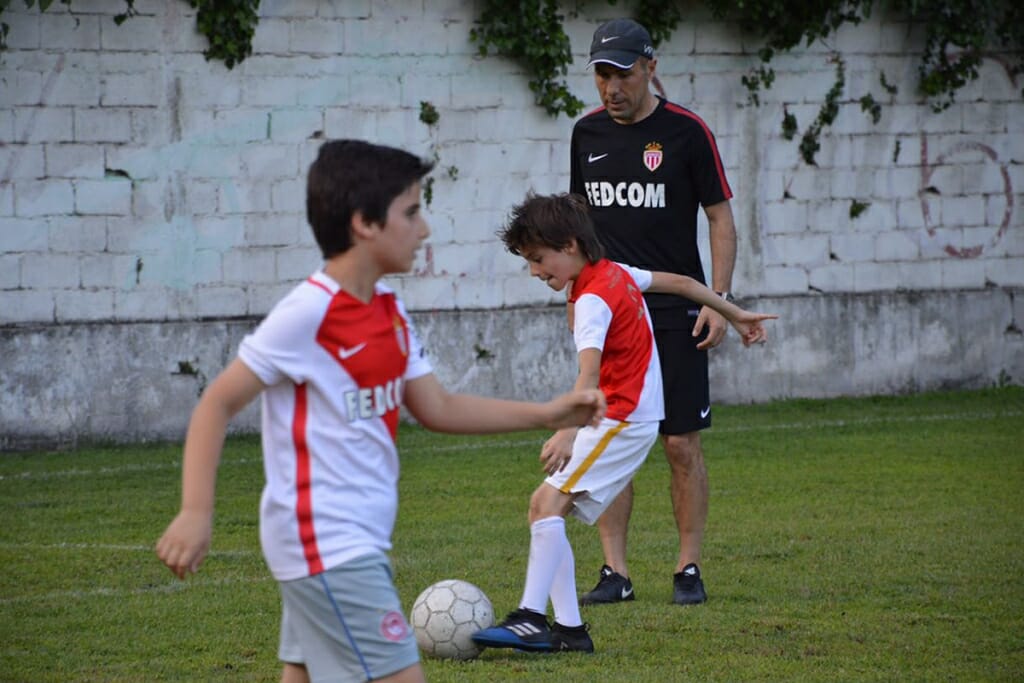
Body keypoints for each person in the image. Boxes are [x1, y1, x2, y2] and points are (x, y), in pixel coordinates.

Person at [154, 141, 608, 683]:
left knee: (300, 674)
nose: (425, 229)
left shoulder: (389, 310)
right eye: (412, 212)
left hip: (348, 540)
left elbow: (438, 406)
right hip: (326, 543)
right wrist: (195, 511)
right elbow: (217, 402)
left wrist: (548, 412)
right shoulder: (309, 313)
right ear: (365, 223)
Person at [471, 193, 774, 653]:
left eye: (538, 259)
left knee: (546, 506)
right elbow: (686, 285)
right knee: (544, 506)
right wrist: (734, 313)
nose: (535, 271)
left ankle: (533, 618)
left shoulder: (593, 298)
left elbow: (587, 375)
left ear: (570, 245)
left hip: (621, 417)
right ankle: (567, 631)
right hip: (627, 416)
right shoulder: (616, 273)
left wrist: (568, 429)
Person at [568, 17, 741, 606]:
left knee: (680, 444)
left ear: (650, 67)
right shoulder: (585, 135)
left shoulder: (688, 133)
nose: (611, 87)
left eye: (622, 73)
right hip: (613, 317)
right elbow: (577, 224)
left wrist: (718, 301)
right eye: (601, 74)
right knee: (612, 441)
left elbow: (720, 218)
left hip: (677, 313)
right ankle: (615, 573)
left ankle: (688, 567)